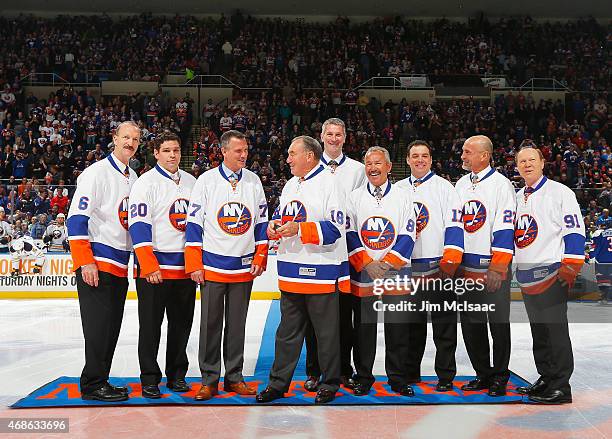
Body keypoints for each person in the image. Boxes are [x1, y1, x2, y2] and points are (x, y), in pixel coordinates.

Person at [256, 135, 348, 404]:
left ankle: (330, 382)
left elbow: (336, 229)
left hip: (320, 272)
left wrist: (301, 229)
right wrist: (273, 226)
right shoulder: (290, 186)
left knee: (326, 334)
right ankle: (277, 384)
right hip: (290, 271)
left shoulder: (331, 184)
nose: (287, 159)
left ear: (309, 156)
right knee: (286, 333)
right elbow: (281, 216)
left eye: (292, 153)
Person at [185, 130, 268, 401]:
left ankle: (234, 377)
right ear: (223, 151)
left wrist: (260, 256)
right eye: (238, 151)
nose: (244, 155)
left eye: (245, 150)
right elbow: (194, 225)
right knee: (210, 325)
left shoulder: (254, 181)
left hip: (244, 267)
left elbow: (261, 224)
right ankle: (209, 379)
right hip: (211, 266)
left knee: (237, 325)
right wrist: (194, 263)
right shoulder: (206, 181)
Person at [66, 121, 140, 402]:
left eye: (135, 139)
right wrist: (85, 261)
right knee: (98, 328)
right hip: (96, 262)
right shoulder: (96, 173)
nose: (130, 143)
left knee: (111, 328)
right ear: (114, 138)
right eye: (125, 137)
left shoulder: (133, 176)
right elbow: (76, 220)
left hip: (119, 265)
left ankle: (101, 380)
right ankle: (92, 383)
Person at [128, 133, 197, 399]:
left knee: (181, 324)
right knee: (151, 326)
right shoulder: (146, 183)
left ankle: (177, 375)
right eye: (166, 150)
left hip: (185, 269)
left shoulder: (192, 182)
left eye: (176, 150)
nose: (172, 155)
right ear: (155, 153)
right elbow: (139, 225)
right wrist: (148, 264)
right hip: (154, 270)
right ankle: (149, 378)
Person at [513, 147, 585, 404]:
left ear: (543, 163)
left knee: (555, 332)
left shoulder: (560, 192)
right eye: (522, 161)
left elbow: (575, 230)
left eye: (532, 159)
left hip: (552, 272)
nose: (527, 164)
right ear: (517, 167)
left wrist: (571, 267)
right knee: (539, 332)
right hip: (527, 275)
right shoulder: (518, 195)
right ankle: (546, 377)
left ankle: (561, 386)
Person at [345, 146, 417, 396]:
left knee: (398, 328)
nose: (373, 168)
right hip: (364, 274)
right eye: (368, 164)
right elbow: (350, 235)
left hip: (395, 273)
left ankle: (397, 378)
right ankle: (363, 376)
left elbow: (409, 234)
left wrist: (386, 264)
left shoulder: (403, 196)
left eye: (378, 163)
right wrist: (367, 263)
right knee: (364, 329)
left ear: (388, 166)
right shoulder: (354, 197)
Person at [396, 140, 464, 391]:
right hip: (409, 269)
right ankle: (411, 372)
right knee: (411, 327)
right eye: (415, 156)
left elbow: (455, 226)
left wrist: (449, 263)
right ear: (408, 160)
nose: (420, 160)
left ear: (431, 160)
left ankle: (445, 376)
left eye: (425, 155)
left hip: (438, 268)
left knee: (443, 327)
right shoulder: (398, 189)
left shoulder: (445, 188)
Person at [305, 117, 366, 392]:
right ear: (321, 135)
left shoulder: (357, 170)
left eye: (338, 134)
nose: (333, 138)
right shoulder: (309, 168)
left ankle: (342, 369)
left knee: (344, 316)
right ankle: (314, 370)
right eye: (329, 133)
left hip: (346, 253)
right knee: (312, 317)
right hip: (315, 252)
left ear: (345, 137)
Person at [455, 135, 515, 397]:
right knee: (471, 324)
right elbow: (455, 227)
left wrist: (498, 267)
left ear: (484, 156)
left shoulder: (501, 185)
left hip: (491, 268)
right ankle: (483, 373)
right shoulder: (459, 184)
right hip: (466, 268)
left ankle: (500, 375)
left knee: (498, 323)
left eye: (468, 152)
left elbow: (505, 228)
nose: (463, 156)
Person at [591, 222, 612, 305]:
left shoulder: (601, 234)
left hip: (602, 260)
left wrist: (590, 255)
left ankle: (604, 298)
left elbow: (596, 246)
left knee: (603, 280)